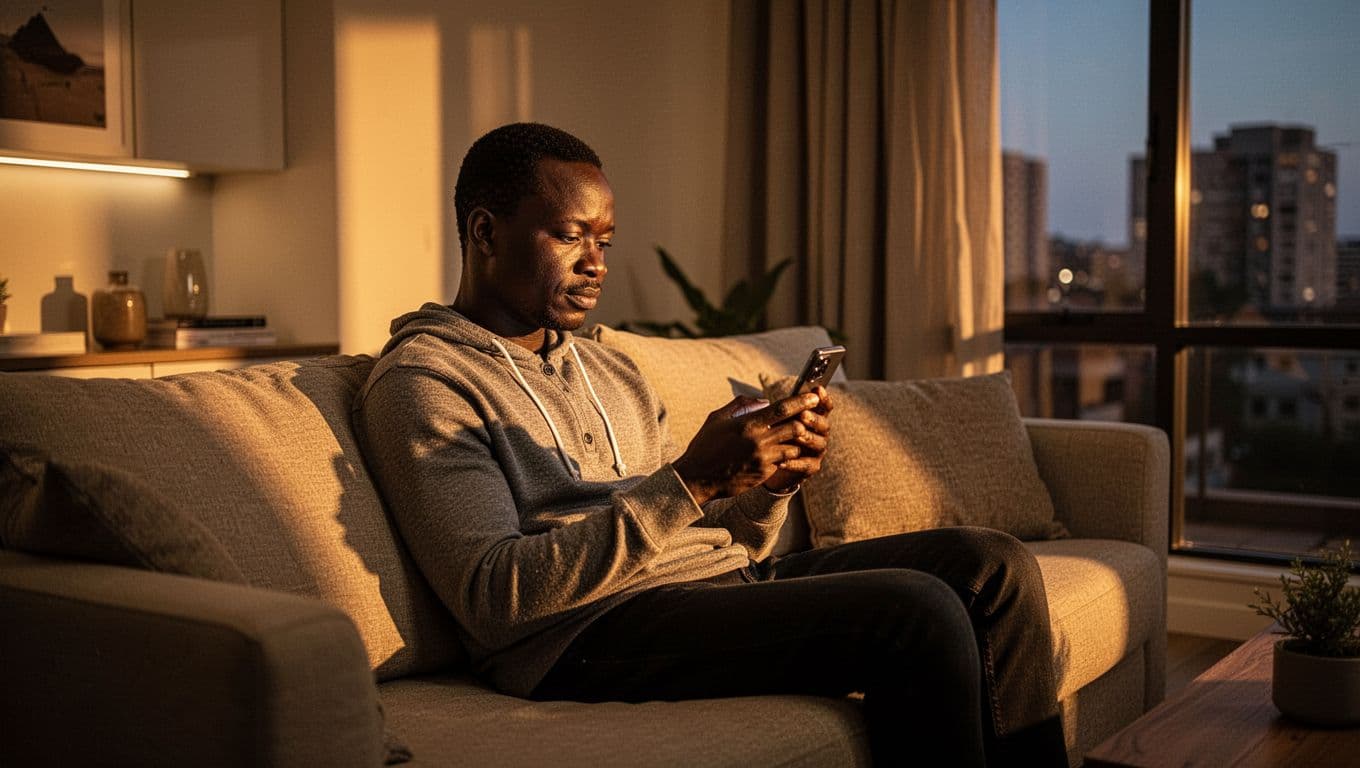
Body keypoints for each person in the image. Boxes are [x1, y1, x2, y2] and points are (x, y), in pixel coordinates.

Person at [355, 122, 1067, 766]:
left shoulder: (609, 366)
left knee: (990, 567)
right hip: (581, 636)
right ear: (485, 233)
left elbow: (732, 542)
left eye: (605, 241)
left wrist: (768, 485)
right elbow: (494, 598)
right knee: (917, 614)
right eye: (571, 236)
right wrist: (691, 482)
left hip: (706, 587)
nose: (596, 262)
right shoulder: (426, 382)